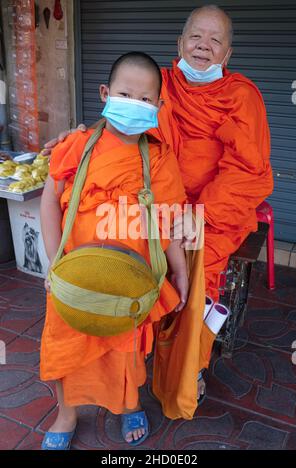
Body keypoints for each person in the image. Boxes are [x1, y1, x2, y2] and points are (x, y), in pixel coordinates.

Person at [43, 5, 273, 410]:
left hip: (208, 216)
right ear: (179, 43)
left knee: (196, 284)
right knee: (128, 269)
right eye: (196, 37)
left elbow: (246, 170)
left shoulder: (241, 96)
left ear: (228, 54)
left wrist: (195, 217)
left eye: (215, 40)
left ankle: (185, 371)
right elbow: (121, 123)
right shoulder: (158, 84)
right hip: (149, 203)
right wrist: (78, 133)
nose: (204, 46)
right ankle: (131, 350)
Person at [40, 51, 188, 449]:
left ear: (159, 106)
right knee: (63, 344)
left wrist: (181, 271)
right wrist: (53, 263)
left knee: (126, 351)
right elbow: (49, 201)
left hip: (129, 281)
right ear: (106, 93)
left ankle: (128, 406)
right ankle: (65, 413)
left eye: (145, 100)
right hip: (73, 275)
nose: (135, 105)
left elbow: (169, 221)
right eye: (125, 93)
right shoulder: (76, 146)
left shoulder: (158, 159)